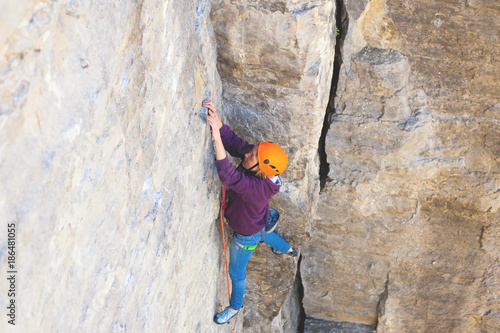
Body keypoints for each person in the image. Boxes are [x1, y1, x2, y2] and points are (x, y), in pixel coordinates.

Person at [203, 99, 298, 325]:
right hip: (258, 222)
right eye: (253, 150)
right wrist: (217, 122)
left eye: (252, 156)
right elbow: (236, 144)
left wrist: (216, 139)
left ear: (261, 170)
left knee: (237, 273)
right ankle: (289, 249)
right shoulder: (260, 164)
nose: (247, 154)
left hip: (245, 235)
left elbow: (229, 177)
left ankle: (235, 307)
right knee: (264, 234)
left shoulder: (258, 189)